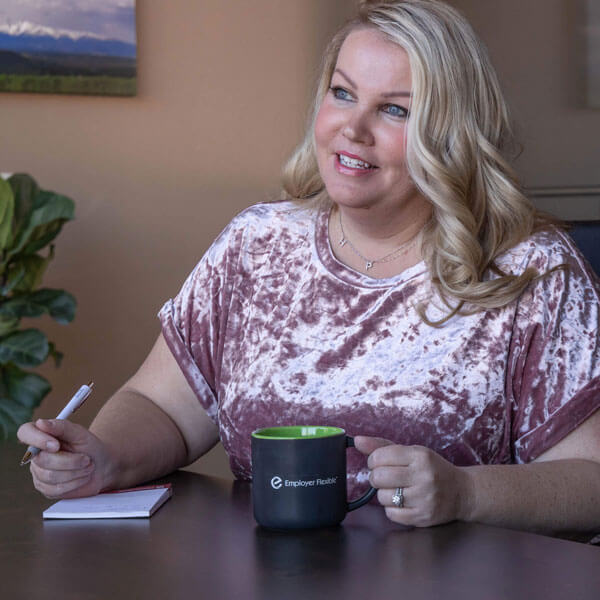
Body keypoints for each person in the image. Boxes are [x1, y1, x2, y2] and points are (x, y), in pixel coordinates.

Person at [18, 0, 600, 540]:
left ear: (451, 134)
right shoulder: (257, 243)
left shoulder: (533, 270)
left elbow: (591, 482)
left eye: (395, 109)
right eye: (343, 93)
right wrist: (105, 455)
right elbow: (165, 405)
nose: (353, 128)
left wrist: (465, 493)